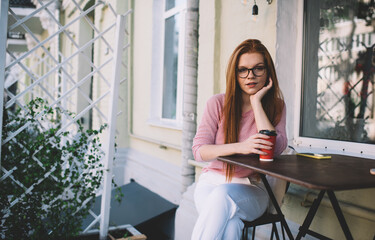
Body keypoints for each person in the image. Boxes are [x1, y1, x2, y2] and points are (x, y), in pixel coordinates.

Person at [191, 39, 287, 239]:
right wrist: (241, 147)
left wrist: (256, 103)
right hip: (211, 183)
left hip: (251, 188)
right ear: (234, 74)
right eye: (242, 70)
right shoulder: (217, 103)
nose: (250, 76)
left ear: (268, 71)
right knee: (232, 225)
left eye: (258, 68)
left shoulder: (276, 106)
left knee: (223, 196)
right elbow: (199, 151)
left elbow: (275, 148)